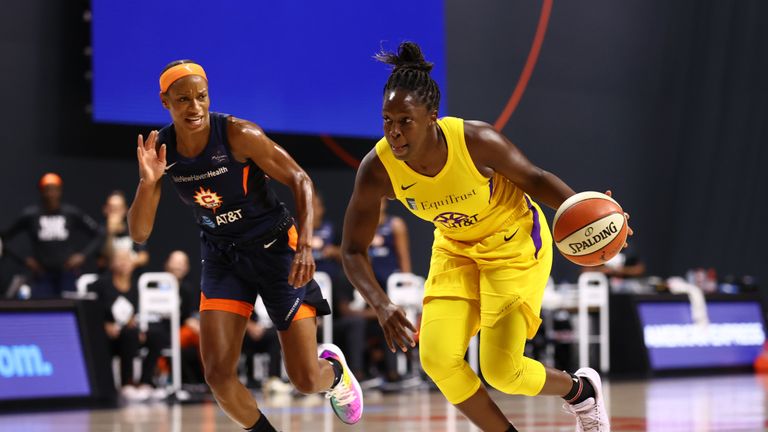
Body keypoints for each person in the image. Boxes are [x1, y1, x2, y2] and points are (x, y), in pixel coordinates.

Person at [341, 42, 631, 432]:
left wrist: (589, 212)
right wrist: (381, 305)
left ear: (431, 117)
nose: (394, 132)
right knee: (437, 357)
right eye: (387, 120)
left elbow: (536, 180)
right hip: (456, 249)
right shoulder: (378, 168)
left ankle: (581, 392)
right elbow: (352, 250)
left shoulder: (475, 141)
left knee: (502, 370)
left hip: (514, 244)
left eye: (405, 121)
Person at [127, 61, 362, 430]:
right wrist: (147, 182)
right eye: (183, 99)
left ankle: (334, 373)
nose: (195, 107)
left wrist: (305, 248)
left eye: (201, 97)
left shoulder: (239, 134)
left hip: (277, 252)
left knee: (303, 379)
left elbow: (300, 179)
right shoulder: (163, 150)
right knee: (218, 375)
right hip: (223, 257)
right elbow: (139, 233)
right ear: (165, 102)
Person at [0, 173, 103, 298]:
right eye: (47, 190)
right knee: (42, 309)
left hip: (67, 273)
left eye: (54, 190)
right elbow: (5, 238)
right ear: (41, 192)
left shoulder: (71, 213)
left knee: (68, 309)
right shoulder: (31, 215)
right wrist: (24, 260)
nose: (51, 194)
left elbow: (99, 234)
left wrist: (83, 256)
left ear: (60, 191)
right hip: (42, 274)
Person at [92, 248, 165, 401]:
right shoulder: (101, 284)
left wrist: (139, 328)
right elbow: (91, 310)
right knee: (130, 334)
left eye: (127, 259)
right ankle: (127, 383)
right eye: (120, 259)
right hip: (108, 336)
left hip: (129, 330)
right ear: (112, 263)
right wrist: (104, 325)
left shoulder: (136, 284)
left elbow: (133, 314)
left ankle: (146, 382)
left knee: (157, 335)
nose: (124, 263)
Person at [98, 190, 150, 271]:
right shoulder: (100, 230)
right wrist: (110, 233)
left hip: (132, 277)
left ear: (125, 210)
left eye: (117, 209)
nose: (114, 213)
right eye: (111, 209)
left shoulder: (133, 229)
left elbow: (144, 257)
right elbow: (101, 261)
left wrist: (127, 263)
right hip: (108, 277)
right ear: (105, 210)